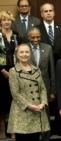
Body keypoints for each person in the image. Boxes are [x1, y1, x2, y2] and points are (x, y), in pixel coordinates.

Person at [36, 2, 61, 135]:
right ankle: (46, 130)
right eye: (45, 11)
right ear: (42, 14)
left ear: (54, 13)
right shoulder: (37, 29)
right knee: (45, 99)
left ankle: (60, 129)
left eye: (50, 10)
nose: (48, 13)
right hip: (43, 71)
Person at [7, 44, 50, 141]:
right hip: (23, 113)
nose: (24, 54)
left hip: (38, 111)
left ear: (30, 54)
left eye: (27, 52)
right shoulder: (13, 71)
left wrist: (43, 103)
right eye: (21, 52)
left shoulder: (37, 69)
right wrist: (30, 106)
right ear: (16, 55)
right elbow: (15, 94)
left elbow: (42, 88)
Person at [27, 27, 55, 141]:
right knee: (30, 114)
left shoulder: (47, 48)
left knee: (45, 116)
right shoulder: (23, 48)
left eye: (38, 36)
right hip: (28, 87)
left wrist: (53, 91)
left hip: (45, 87)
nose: (35, 39)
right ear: (28, 37)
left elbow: (52, 70)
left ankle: (45, 138)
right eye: (32, 37)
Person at [0, 10, 22, 139]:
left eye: (9, 19)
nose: (6, 22)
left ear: (12, 21)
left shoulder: (16, 35)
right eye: (4, 19)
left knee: (14, 101)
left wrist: (14, 72)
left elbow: (22, 53)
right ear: (1, 22)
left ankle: (13, 128)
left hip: (15, 72)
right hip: (0, 73)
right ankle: (2, 127)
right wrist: (3, 71)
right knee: (1, 102)